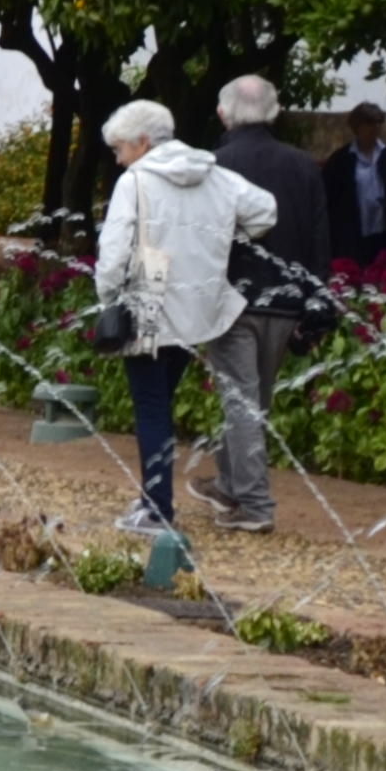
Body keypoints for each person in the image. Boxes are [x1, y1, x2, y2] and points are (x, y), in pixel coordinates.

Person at [92, 96, 275, 539]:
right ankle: (152, 499)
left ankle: (158, 509)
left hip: (148, 307)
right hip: (200, 307)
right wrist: (228, 235)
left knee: (152, 408)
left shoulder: (136, 182)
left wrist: (107, 299)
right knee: (161, 402)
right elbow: (265, 210)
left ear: (142, 142)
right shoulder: (214, 174)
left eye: (120, 148)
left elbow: (113, 254)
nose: (118, 159)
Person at [204, 75, 331, 533]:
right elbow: (319, 237)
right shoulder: (303, 165)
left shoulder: (216, 165)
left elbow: (205, 239)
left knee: (242, 400)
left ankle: (255, 505)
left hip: (233, 300)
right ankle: (228, 484)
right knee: (253, 399)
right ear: (274, 112)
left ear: (224, 114)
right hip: (286, 301)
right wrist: (316, 301)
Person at [316, 99, 386, 274]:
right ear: (357, 127)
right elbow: (329, 195)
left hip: (385, 230)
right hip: (354, 232)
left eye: (378, 123)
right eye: (369, 123)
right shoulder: (342, 159)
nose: (375, 128)